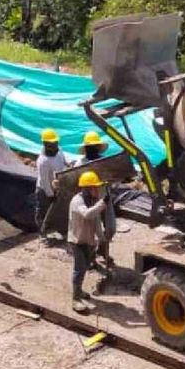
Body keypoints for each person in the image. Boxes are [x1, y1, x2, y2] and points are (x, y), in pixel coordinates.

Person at [68, 171, 109, 312]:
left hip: (88, 240)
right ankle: (75, 299)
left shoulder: (92, 202)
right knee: (79, 270)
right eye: (94, 187)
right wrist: (103, 203)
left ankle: (79, 291)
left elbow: (96, 222)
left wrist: (102, 239)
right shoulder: (77, 201)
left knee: (85, 267)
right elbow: (87, 214)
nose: (97, 190)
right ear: (86, 189)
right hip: (77, 241)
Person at [77, 130, 116, 268]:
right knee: (93, 231)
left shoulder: (105, 162)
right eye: (90, 147)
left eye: (95, 147)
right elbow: (75, 182)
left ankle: (102, 249)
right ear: (86, 148)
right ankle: (91, 257)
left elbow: (113, 178)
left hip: (105, 197)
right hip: (90, 201)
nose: (93, 149)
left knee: (111, 228)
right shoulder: (80, 164)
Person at [35, 128, 68, 236]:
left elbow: (64, 162)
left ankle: (61, 230)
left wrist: (69, 165)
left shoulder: (59, 151)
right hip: (44, 190)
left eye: (55, 143)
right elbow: (45, 181)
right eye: (52, 144)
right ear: (45, 144)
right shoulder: (43, 161)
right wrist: (50, 195)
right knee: (43, 212)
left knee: (59, 210)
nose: (55, 146)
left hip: (57, 186)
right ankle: (43, 233)